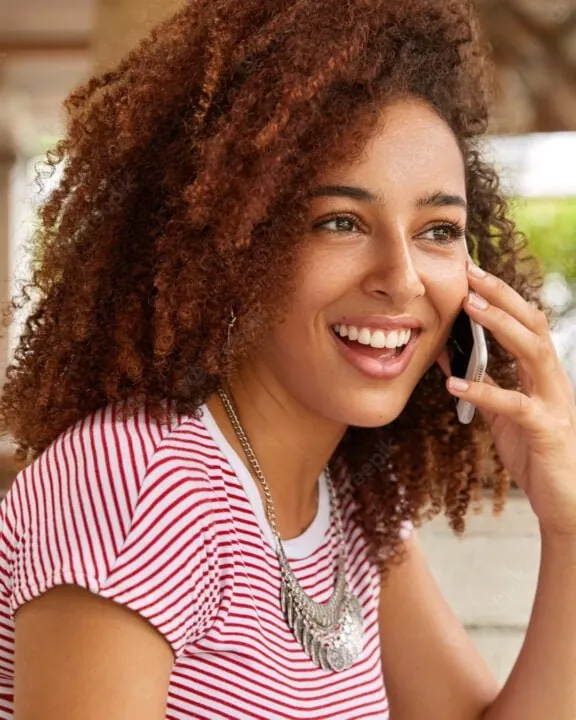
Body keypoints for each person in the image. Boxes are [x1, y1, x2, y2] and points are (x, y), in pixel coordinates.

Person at [0, 0, 575, 718]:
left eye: (437, 230)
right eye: (340, 222)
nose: (401, 277)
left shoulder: (353, 499)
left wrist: (568, 525)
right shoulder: (142, 486)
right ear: (238, 247)